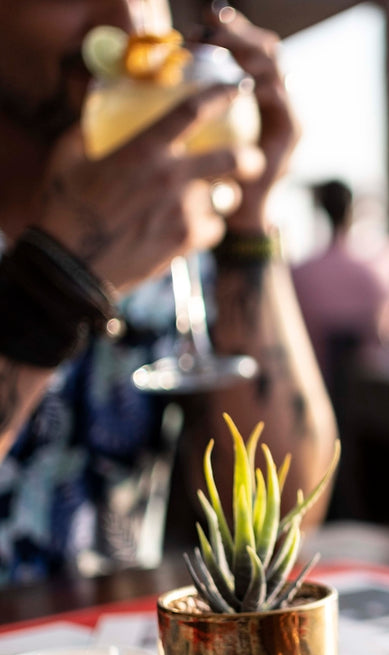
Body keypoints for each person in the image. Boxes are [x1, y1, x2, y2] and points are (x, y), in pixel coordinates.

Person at [0, 1, 337, 583]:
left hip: (113, 639)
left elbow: (282, 522)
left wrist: (249, 220)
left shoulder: (164, 237)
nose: (129, 23)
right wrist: (56, 283)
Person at [291, 179, 389, 381]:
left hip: (312, 377)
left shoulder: (301, 274)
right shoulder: (367, 275)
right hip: (361, 386)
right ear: (351, 212)